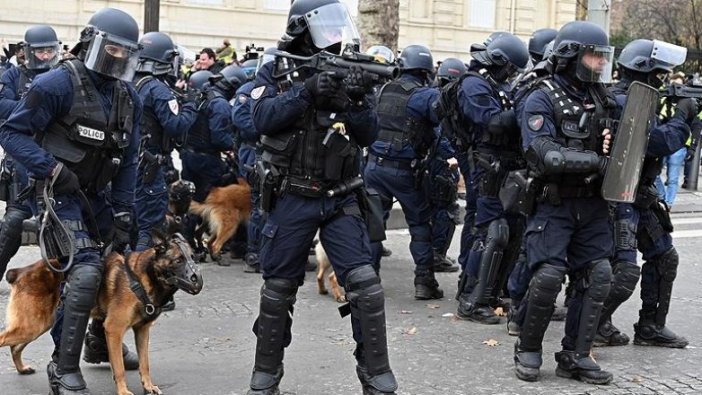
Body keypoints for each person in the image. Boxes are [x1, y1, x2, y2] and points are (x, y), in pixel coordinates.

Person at [246, 0, 397, 393]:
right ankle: (266, 376)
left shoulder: (350, 69)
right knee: (278, 290)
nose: (334, 34)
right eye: (325, 25)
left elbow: (369, 135)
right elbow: (257, 118)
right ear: (302, 27)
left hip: (342, 197)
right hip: (292, 195)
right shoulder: (277, 68)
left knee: (365, 284)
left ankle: (376, 376)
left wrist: (356, 100)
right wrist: (307, 92)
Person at [0, 7, 142, 394]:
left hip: (100, 199)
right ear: (93, 43)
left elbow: (129, 159)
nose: (118, 58)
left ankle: (92, 343)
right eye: (112, 49)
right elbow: (12, 134)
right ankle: (64, 369)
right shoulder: (56, 84)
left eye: (126, 52)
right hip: (57, 195)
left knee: (107, 273)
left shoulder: (129, 97)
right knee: (83, 273)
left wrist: (126, 210)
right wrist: (50, 169)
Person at [514, 21, 616, 384]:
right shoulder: (541, 95)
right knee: (548, 276)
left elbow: (630, 139)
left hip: (592, 204)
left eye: (604, 57)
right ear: (572, 55)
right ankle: (527, 348)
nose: (601, 63)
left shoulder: (602, 97)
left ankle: (575, 355)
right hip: (554, 202)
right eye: (594, 56)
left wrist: (615, 144)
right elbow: (544, 154)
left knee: (599, 275)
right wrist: (595, 160)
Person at [594, 39, 692, 349]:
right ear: (644, 72)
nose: (664, 79)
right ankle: (592, 324)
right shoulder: (624, 102)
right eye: (660, 74)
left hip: (641, 194)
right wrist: (682, 119)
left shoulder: (642, 101)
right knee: (623, 272)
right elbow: (652, 142)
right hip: (621, 196)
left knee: (665, 257)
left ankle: (650, 326)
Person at [453, 33, 530, 324]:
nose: (511, 75)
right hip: (487, 166)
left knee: (508, 231)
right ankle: (472, 300)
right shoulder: (473, 83)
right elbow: (493, 122)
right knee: (490, 232)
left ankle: (490, 293)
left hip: (505, 167)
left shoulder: (495, 85)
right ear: (498, 61)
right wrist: (523, 104)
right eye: (510, 68)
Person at [364, 44, 447, 297]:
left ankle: (369, 277)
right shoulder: (424, 96)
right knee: (420, 225)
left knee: (374, 224)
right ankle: (424, 282)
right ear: (425, 71)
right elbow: (438, 130)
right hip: (406, 172)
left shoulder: (382, 90)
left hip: (374, 167)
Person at [0, 25, 61, 281]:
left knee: (60, 227)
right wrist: (34, 104)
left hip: (54, 161)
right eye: (40, 51)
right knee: (13, 224)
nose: (45, 56)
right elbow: (2, 106)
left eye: (50, 50)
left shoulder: (62, 76)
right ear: (28, 52)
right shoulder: (13, 76)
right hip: (21, 163)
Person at [133, 31, 199, 252]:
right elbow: (176, 125)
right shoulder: (158, 89)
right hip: (149, 166)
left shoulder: (131, 81)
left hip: (128, 162)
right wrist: (191, 105)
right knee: (150, 226)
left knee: (128, 220)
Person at [181, 65, 247, 261]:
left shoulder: (202, 97)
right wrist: (234, 146)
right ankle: (220, 245)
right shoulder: (220, 104)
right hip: (206, 160)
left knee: (192, 200)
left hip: (189, 156)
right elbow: (220, 137)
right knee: (218, 198)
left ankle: (188, 243)